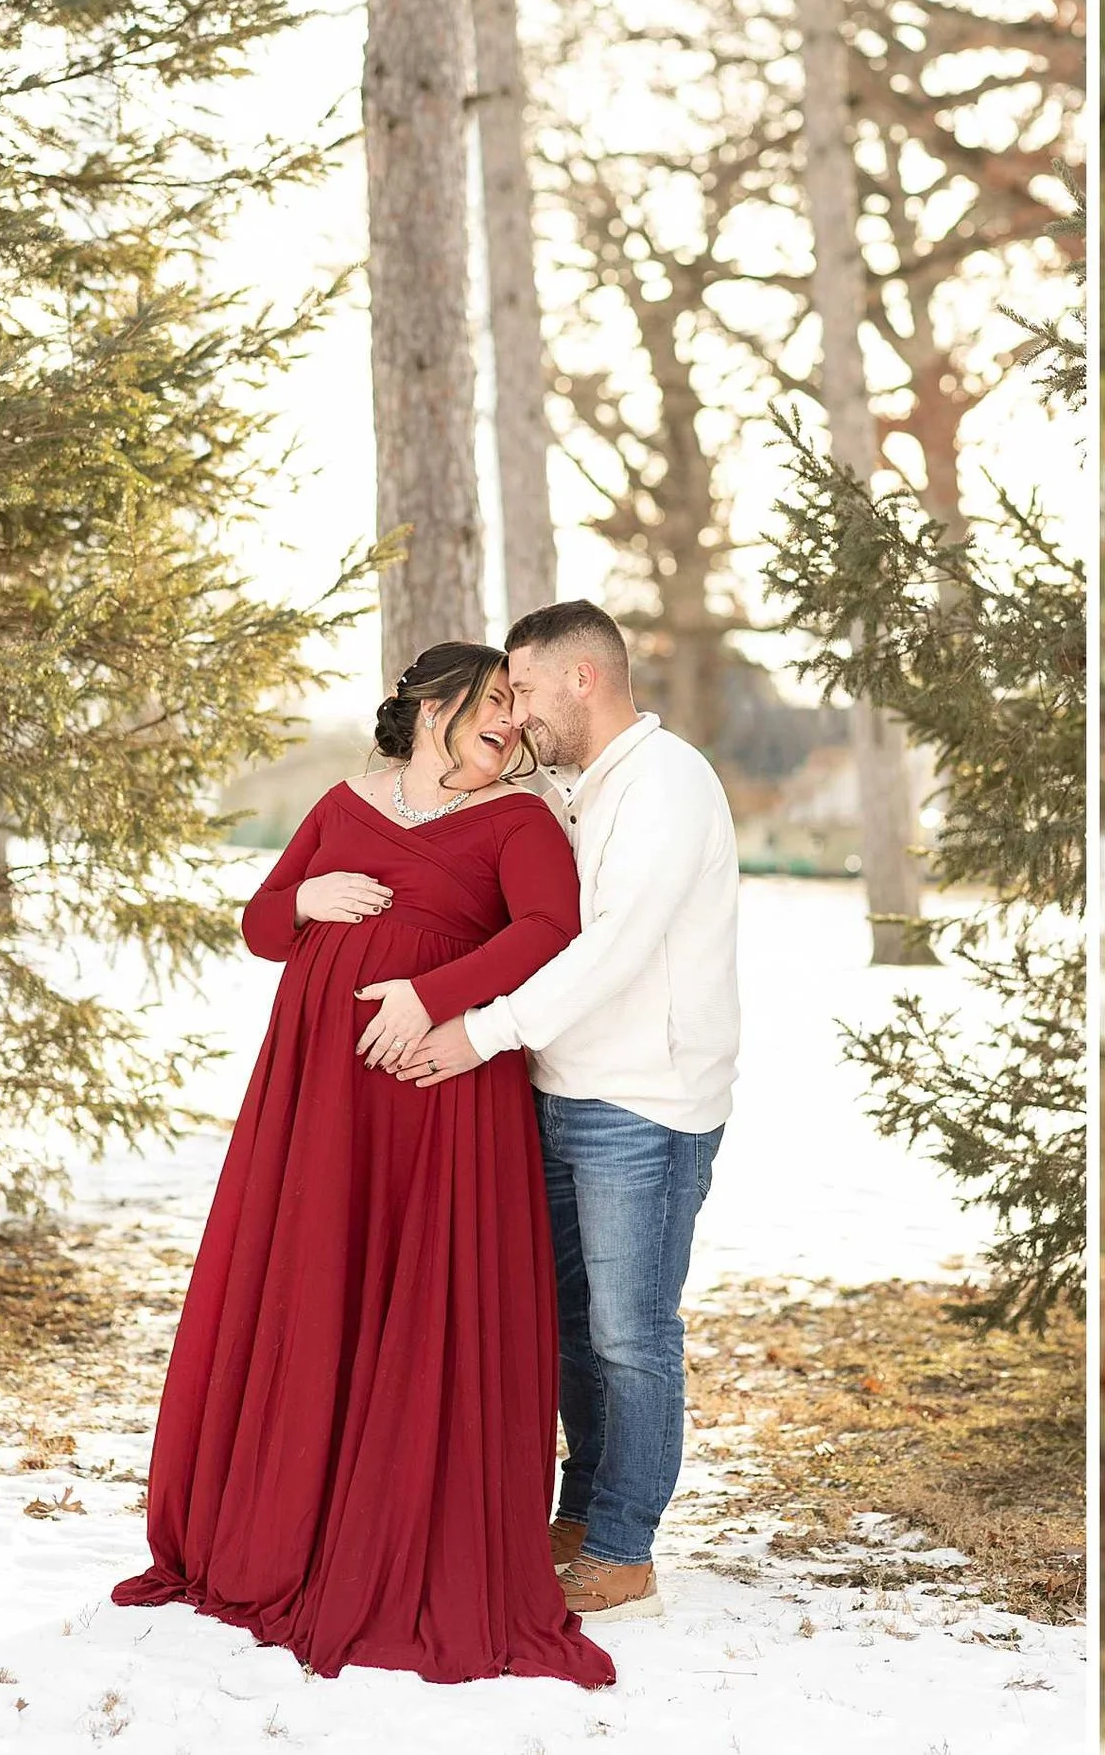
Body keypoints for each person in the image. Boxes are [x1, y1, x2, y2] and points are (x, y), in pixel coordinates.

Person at [113, 642, 614, 1688]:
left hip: (438, 1101)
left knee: (414, 1301)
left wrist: (433, 995)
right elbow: (259, 926)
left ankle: (392, 1529)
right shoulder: (345, 804)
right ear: (435, 706)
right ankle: (290, 1516)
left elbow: (552, 930)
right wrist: (305, 899)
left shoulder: (520, 821)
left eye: (518, 716)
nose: (509, 729)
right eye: (493, 707)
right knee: (318, 1290)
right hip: (319, 1107)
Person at [390, 600, 740, 1627]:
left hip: (646, 1102)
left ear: (583, 679)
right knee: (575, 1334)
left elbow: (611, 949)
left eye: (529, 690)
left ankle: (625, 1551)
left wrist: (478, 1031)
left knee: (633, 1335)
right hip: (566, 1088)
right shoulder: (584, 790)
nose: (520, 713)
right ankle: (583, 1519)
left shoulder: (667, 786)